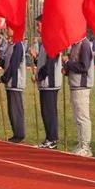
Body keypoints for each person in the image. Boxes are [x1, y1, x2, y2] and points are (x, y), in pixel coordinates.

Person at [30, 15, 62, 149]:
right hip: (45, 83)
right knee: (45, 111)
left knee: (49, 111)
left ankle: (53, 138)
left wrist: (39, 76)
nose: (37, 28)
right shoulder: (44, 42)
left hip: (50, 82)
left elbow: (49, 65)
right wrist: (36, 57)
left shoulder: (52, 40)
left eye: (39, 25)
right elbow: (43, 62)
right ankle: (49, 137)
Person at [62, 35, 94, 157]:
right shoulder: (75, 45)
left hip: (82, 86)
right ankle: (81, 143)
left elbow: (83, 66)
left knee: (83, 117)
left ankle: (86, 146)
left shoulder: (84, 44)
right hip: (75, 84)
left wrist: (68, 63)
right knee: (78, 117)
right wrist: (66, 69)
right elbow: (74, 64)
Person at [0, 26, 26, 143]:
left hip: (15, 82)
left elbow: (14, 65)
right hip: (10, 83)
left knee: (16, 110)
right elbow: (6, 63)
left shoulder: (18, 45)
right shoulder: (10, 45)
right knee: (11, 110)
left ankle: (19, 134)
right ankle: (16, 133)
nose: (7, 30)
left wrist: (3, 78)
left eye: (9, 28)